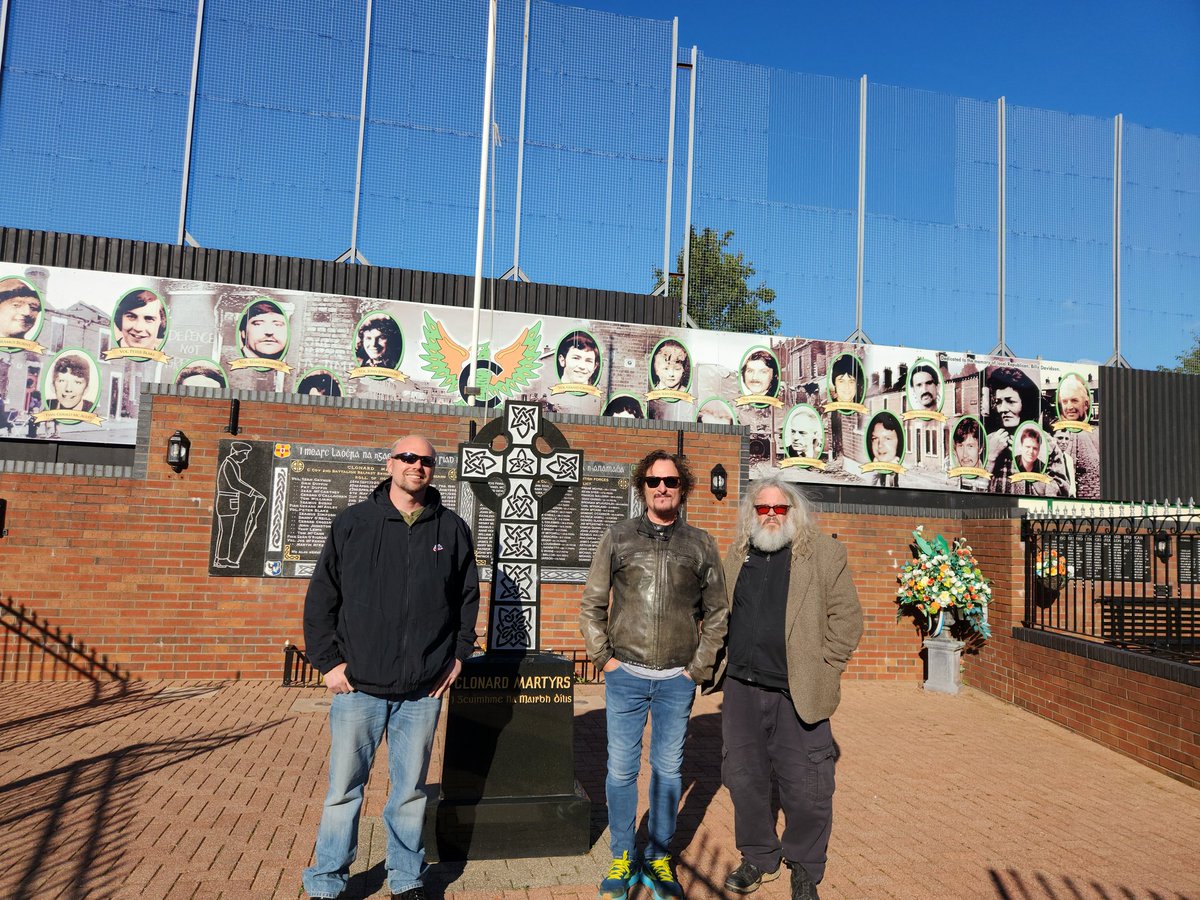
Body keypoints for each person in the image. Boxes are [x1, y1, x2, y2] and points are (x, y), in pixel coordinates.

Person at [303, 435, 480, 900]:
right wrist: (328, 663)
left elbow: (467, 599)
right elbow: (322, 596)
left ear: (432, 469)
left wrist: (459, 655)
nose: (416, 466)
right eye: (407, 458)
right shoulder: (355, 523)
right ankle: (326, 881)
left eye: (425, 460)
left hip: (422, 691)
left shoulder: (451, 529)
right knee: (344, 791)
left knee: (409, 793)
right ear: (390, 463)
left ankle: (406, 878)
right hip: (358, 685)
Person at [580, 450, 728, 900]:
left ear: (682, 487)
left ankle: (658, 858)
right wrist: (604, 658)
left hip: (674, 682)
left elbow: (718, 612)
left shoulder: (700, 543)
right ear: (641, 486)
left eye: (670, 481)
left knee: (668, 770)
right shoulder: (618, 537)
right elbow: (592, 604)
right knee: (621, 770)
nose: (661, 488)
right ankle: (623, 855)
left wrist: (697, 669)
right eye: (652, 481)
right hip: (625, 673)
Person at [720, 477, 863, 899]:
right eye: (762, 509)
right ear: (751, 513)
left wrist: (826, 669)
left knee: (807, 787)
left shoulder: (823, 554)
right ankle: (759, 856)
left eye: (779, 509)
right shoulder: (735, 554)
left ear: (793, 513)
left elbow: (847, 620)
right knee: (744, 781)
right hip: (741, 689)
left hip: (796, 693)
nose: (770, 516)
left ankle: (804, 865)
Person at [984, 367, 1069, 496]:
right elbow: (971, 489)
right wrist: (990, 458)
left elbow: (1062, 492)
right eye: (998, 402)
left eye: (1010, 401)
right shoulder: (990, 441)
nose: (1002, 409)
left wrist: (1028, 467)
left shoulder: (1047, 443)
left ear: (1025, 404)